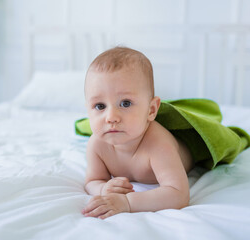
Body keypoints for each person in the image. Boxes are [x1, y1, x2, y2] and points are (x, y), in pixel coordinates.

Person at [81, 47, 194, 219]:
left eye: (125, 103)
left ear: (151, 110)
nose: (111, 117)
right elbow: (92, 181)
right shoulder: (97, 145)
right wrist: (103, 189)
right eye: (100, 106)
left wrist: (128, 202)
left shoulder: (158, 145)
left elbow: (179, 194)